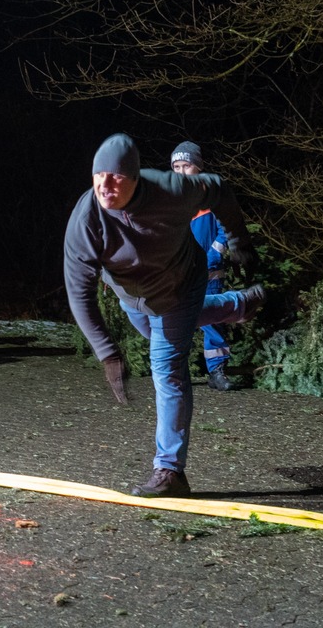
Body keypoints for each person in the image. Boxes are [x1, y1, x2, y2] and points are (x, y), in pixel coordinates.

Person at [64, 133, 265, 498]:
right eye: (99, 176)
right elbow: (80, 293)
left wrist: (239, 241)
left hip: (180, 285)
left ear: (136, 178)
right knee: (156, 334)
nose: (106, 186)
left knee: (166, 366)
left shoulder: (171, 189)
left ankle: (170, 471)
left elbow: (218, 188)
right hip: (133, 298)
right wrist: (107, 353)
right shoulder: (85, 221)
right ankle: (238, 305)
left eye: (116, 177)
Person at [171, 141, 236, 392]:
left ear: (198, 167)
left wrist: (212, 256)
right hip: (179, 275)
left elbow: (226, 230)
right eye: (177, 166)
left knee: (213, 321)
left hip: (209, 273)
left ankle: (217, 372)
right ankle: (175, 373)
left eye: (186, 166)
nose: (181, 171)